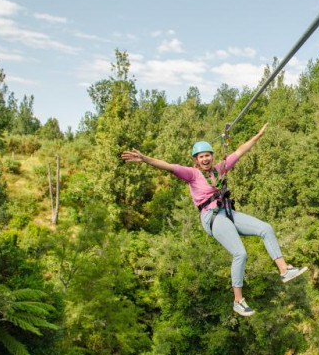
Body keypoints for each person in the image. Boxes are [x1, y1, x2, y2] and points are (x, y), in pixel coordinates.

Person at [120, 123, 306, 316]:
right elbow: (168, 166)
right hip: (212, 217)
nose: (205, 159)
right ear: (196, 160)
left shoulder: (221, 168)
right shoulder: (192, 174)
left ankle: (285, 271)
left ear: (212, 156)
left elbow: (240, 151)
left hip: (228, 212)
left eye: (207, 155)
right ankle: (238, 301)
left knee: (266, 228)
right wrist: (144, 159)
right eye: (201, 157)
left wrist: (257, 136)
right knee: (240, 253)